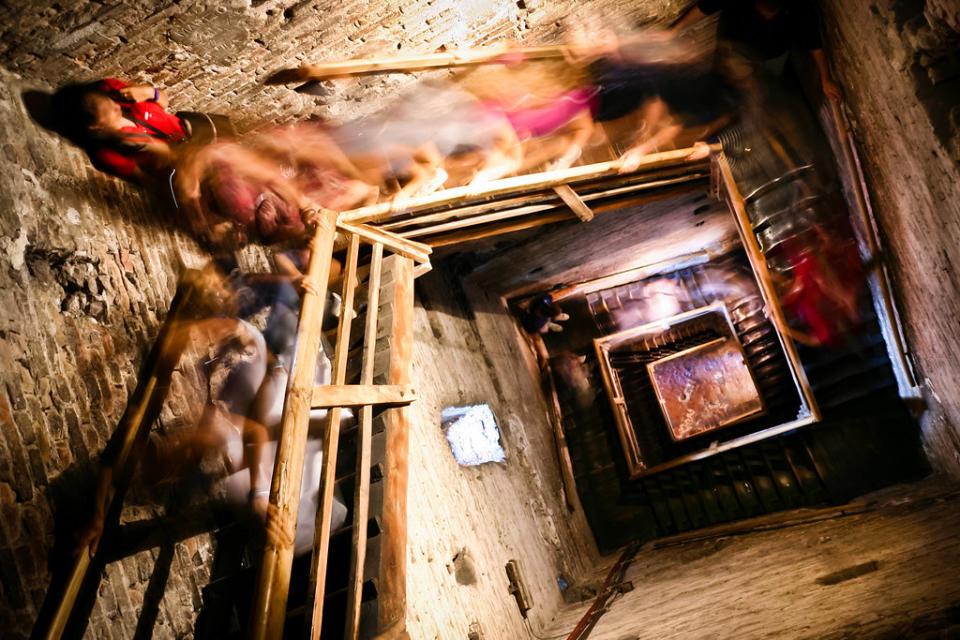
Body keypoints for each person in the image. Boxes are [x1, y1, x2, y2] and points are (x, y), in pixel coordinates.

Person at [671, 0, 842, 102]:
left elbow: (813, 42)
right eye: (764, 11)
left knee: (766, 86)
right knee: (732, 86)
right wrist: (673, 31)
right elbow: (705, 7)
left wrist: (825, 79)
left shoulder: (801, 7)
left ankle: (757, 105)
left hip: (775, 54)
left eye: (773, 13)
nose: (768, 16)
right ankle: (736, 108)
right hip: (736, 51)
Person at [52, 78, 187, 184]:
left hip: (189, 132)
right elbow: (147, 182)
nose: (116, 106)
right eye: (108, 112)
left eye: (110, 101)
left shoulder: (112, 89)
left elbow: (164, 102)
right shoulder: (108, 153)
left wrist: (150, 92)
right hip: (181, 168)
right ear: (95, 126)